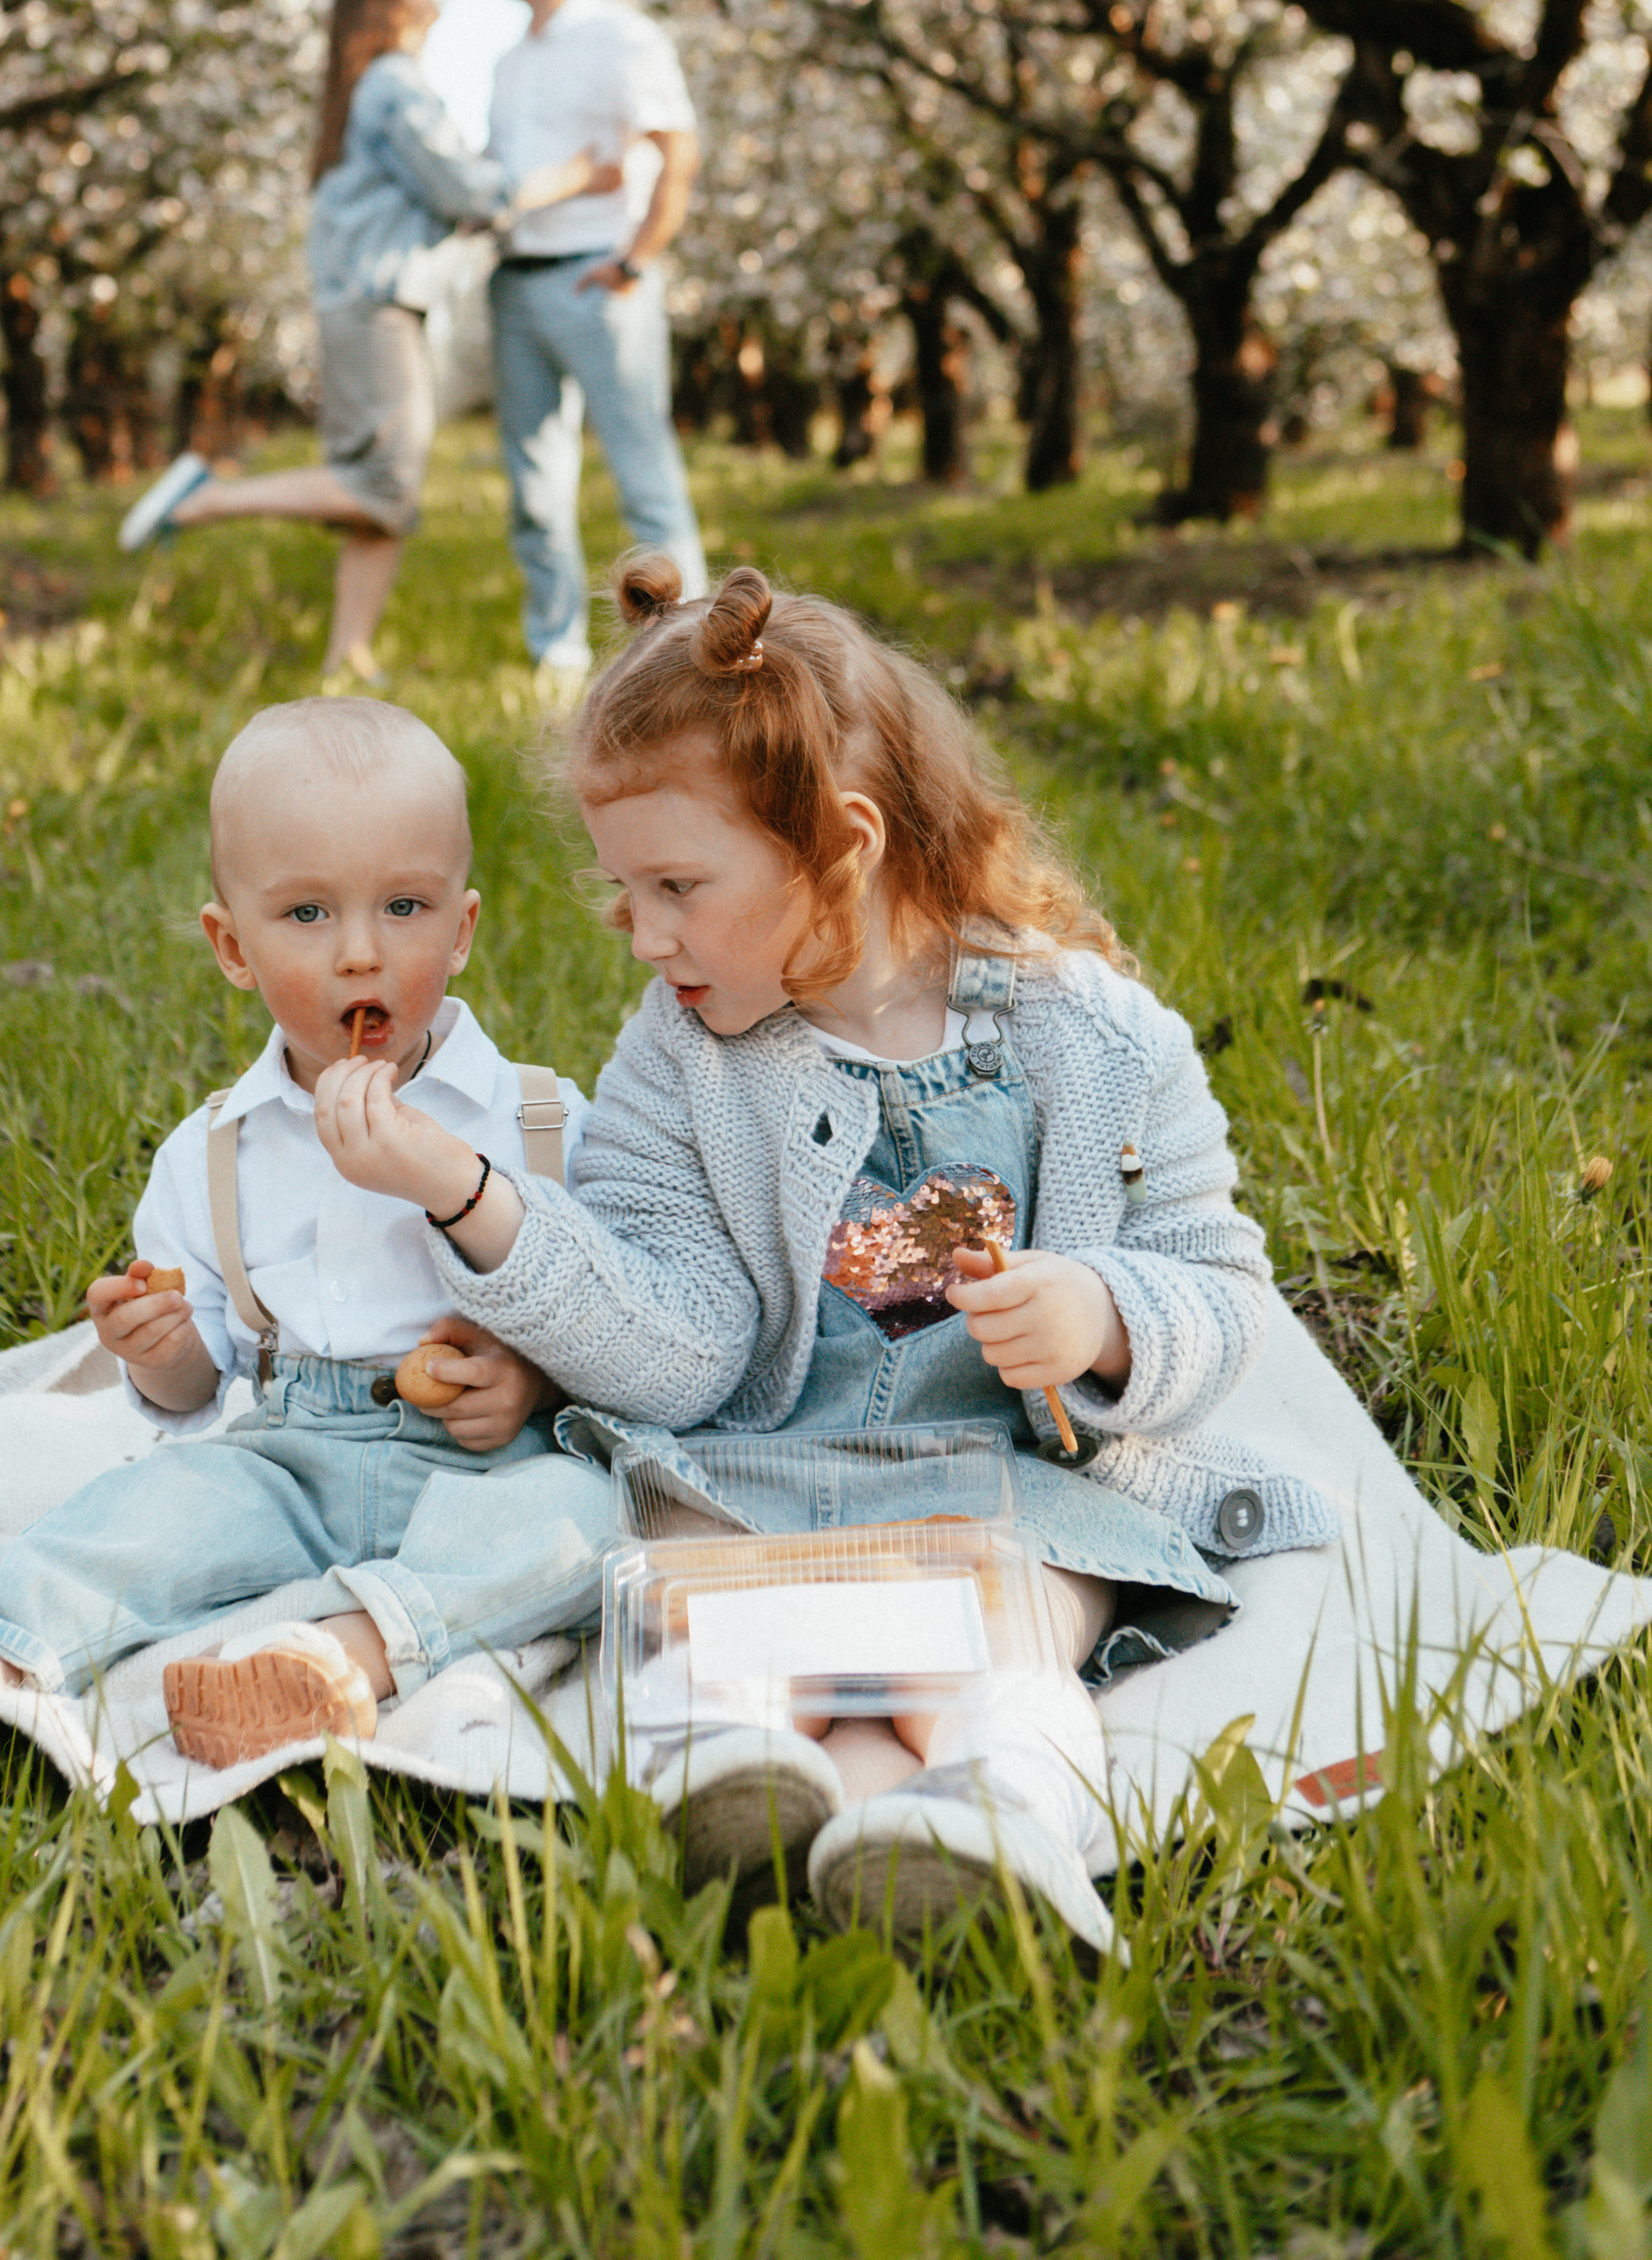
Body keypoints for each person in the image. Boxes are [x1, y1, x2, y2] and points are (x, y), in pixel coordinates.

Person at [309, 560, 1334, 1948]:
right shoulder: (679, 1063)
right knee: (720, 1629)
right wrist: (469, 1194)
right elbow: (675, 1354)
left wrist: (1104, 1316)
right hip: (757, 1479)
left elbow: (1216, 1283)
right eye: (625, 891)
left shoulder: (1097, 1041)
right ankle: (739, 1778)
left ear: (844, 848)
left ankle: (996, 1808)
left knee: (1019, 1629)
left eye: (677, 886)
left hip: (1009, 1490)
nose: (643, 936)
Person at [0, 697, 616, 1771]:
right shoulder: (216, 1151)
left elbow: (615, 1321)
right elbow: (198, 1385)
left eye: (403, 907)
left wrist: (534, 1382)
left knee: (587, 1517)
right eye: (307, 914)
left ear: (460, 931)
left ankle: (338, 1661)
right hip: (291, 1455)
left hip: (487, 1464)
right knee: (154, 1508)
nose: (361, 954)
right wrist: (159, 1345)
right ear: (233, 947)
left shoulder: (538, 1120)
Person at [119, 0, 621, 690]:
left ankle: (348, 654)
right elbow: (465, 189)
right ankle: (203, 498)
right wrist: (573, 177)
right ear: (395, 13)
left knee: (379, 498)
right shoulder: (393, 82)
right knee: (385, 485)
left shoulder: (361, 87)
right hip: (377, 307)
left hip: (365, 304)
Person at [483, 0, 708, 697]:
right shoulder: (509, 62)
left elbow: (677, 149)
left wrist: (635, 261)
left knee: (644, 476)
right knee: (535, 489)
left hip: (597, 281)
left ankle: (691, 656)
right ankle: (558, 654)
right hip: (516, 283)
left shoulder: (622, 36)